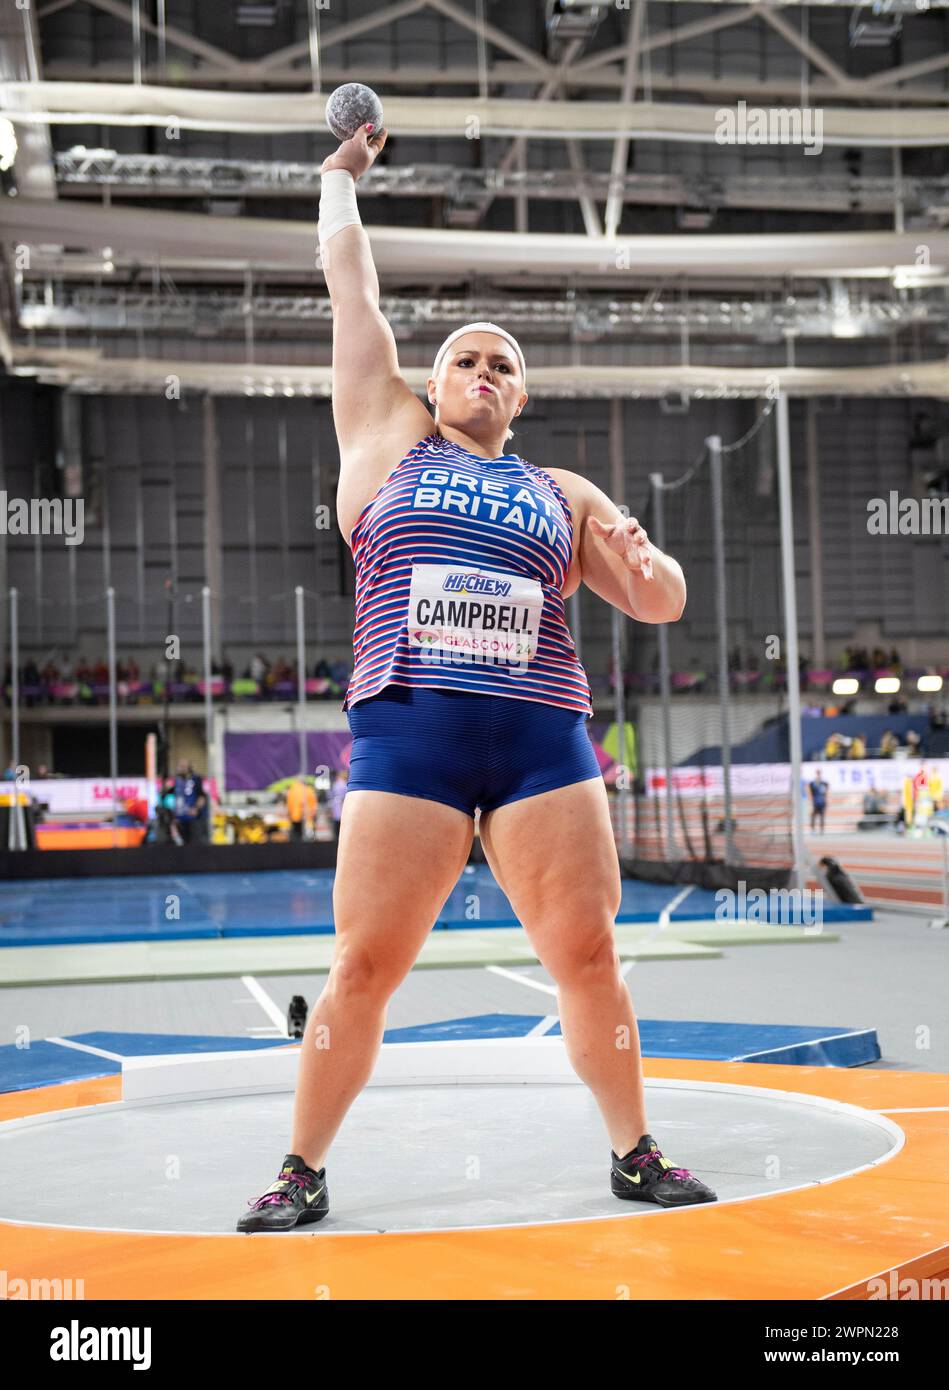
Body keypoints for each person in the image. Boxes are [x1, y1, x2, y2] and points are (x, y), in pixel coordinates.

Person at [236, 122, 715, 1234]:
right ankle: (300, 1169)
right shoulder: (384, 431)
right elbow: (350, 288)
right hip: (413, 733)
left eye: (503, 363)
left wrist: (650, 568)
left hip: (545, 738)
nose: (482, 371)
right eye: (465, 356)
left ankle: (634, 1152)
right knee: (361, 962)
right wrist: (336, 182)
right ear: (435, 379)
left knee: (588, 952)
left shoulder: (562, 488)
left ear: (521, 397)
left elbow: (661, 600)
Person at [173, 759, 207, 845]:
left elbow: (202, 796)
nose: (181, 769)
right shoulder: (177, 781)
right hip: (180, 817)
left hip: (193, 817)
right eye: (180, 766)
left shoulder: (195, 779)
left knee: (194, 843)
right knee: (182, 843)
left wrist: (196, 809)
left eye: (183, 766)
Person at [286, 776, 317, 841]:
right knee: (309, 837)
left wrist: (290, 814)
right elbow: (314, 804)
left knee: (297, 836)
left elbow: (289, 804)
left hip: (295, 816)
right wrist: (313, 814)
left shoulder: (292, 790)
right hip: (307, 817)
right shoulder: (309, 790)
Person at [329, 767, 348, 841]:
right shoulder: (344, 784)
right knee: (341, 826)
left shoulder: (336, 784)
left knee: (336, 827)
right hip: (341, 807)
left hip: (336, 807)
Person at [808, 768, 829, 832]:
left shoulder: (824, 783)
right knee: (813, 814)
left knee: (822, 815)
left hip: (822, 801)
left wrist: (826, 799)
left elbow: (826, 791)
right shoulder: (813, 783)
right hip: (815, 801)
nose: (818, 775)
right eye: (817, 773)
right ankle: (812, 828)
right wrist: (810, 801)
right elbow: (810, 792)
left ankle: (821, 828)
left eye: (819, 773)